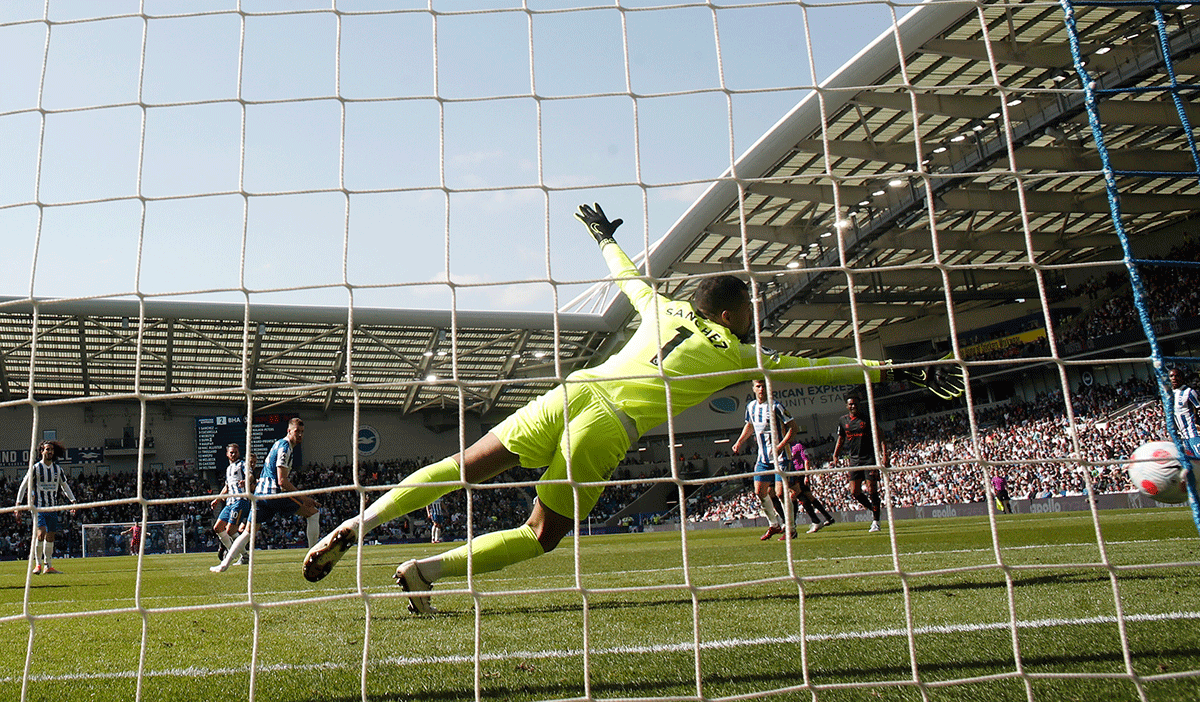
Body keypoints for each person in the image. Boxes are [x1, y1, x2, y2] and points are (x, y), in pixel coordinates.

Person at [303, 203, 964, 614]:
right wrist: (895, 366)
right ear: (731, 314)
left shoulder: (665, 306)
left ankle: (354, 527)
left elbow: (630, 278)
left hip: (572, 391)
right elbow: (819, 366)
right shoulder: (737, 353)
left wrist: (604, 239)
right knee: (542, 536)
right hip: (605, 425)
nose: (755, 321)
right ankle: (426, 572)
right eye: (751, 313)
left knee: (460, 466)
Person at [211, 418, 320, 573]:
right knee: (314, 514)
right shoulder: (285, 447)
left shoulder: (278, 444)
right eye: (297, 431)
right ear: (289, 431)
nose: (300, 435)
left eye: (302, 432)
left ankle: (223, 565)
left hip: (260, 496)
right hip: (273, 494)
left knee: (247, 533)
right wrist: (305, 498)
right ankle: (313, 558)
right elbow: (282, 481)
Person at [731, 378, 798, 540]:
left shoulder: (776, 406)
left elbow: (793, 428)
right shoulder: (751, 407)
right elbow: (750, 425)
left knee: (780, 493)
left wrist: (780, 446)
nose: (761, 389)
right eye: (758, 386)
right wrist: (739, 441)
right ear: (753, 389)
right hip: (763, 458)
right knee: (759, 491)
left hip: (781, 457)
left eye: (764, 386)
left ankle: (791, 528)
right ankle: (774, 525)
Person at [15, 440, 78, 575]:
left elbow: (64, 486)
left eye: (51, 450)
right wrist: (18, 505)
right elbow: (23, 485)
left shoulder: (58, 469)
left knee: (50, 536)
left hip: (52, 507)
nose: (49, 452)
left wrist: (73, 501)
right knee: (41, 532)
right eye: (47, 449)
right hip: (39, 507)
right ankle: (37, 564)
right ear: (41, 451)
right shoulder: (36, 468)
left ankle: (48, 566)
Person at [831, 392, 886, 533]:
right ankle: (873, 509)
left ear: (859, 404)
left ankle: (876, 521)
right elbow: (841, 439)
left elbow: (881, 435)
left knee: (871, 489)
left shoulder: (867, 419)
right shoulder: (843, 420)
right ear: (847, 406)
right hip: (854, 460)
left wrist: (885, 455)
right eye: (850, 404)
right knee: (854, 492)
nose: (853, 406)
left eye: (855, 403)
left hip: (869, 458)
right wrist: (835, 455)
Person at [210, 444, 251, 563]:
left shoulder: (242, 464)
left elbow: (250, 474)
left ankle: (244, 556)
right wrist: (217, 500)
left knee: (230, 530)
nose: (234, 454)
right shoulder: (228, 469)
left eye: (236, 452)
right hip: (229, 503)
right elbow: (226, 487)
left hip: (239, 501)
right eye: (231, 452)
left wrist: (246, 480)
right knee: (217, 528)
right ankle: (234, 551)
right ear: (227, 454)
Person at [787, 441, 836, 534]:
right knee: (808, 496)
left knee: (797, 495)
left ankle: (814, 521)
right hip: (794, 474)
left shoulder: (798, 446)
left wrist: (806, 475)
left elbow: (806, 460)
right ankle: (827, 517)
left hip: (799, 473)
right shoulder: (786, 447)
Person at [1169, 367, 1200, 457]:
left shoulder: (1189, 392)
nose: (1174, 378)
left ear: (1182, 378)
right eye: (1171, 376)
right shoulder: (1169, 394)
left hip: (1194, 433)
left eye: (1177, 376)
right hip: (1184, 436)